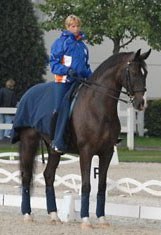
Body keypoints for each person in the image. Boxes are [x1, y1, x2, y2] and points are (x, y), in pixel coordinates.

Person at [49, 14, 92, 152]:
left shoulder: (83, 47)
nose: (76, 28)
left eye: (78, 26)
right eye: (73, 26)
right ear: (67, 27)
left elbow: (85, 67)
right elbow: (54, 64)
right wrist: (67, 71)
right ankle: (57, 141)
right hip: (64, 81)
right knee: (62, 107)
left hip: (80, 81)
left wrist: (92, 78)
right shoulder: (60, 43)